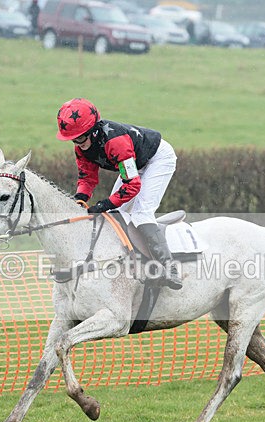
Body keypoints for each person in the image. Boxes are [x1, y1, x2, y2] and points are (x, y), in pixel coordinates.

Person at [56, 97, 182, 290]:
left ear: (93, 131)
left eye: (80, 138)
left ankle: (169, 267)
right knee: (115, 216)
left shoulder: (115, 142)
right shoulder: (82, 147)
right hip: (134, 163)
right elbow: (87, 178)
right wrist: (80, 198)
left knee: (141, 213)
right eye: (73, 139)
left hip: (158, 159)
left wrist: (105, 204)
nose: (77, 143)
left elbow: (132, 186)